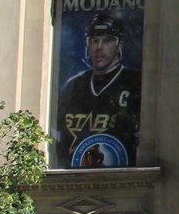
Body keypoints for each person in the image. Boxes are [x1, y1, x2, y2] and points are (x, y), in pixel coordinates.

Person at [57, 13, 141, 167]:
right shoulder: (73, 85)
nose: (99, 48)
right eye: (94, 41)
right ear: (87, 45)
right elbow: (58, 136)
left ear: (119, 44)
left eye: (107, 40)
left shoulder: (135, 83)